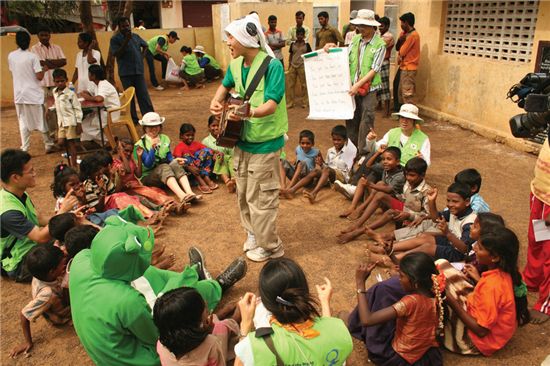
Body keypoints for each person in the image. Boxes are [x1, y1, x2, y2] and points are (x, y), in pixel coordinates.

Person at [69, 213, 245, 365]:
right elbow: (158, 335)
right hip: (142, 359)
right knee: (185, 298)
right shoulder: (129, 301)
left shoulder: (82, 258)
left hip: (114, 349)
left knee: (150, 274)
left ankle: (194, 276)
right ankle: (217, 284)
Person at [209, 13, 288, 262]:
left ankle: (271, 246)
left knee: (262, 198)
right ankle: (253, 233)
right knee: (243, 192)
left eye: (231, 37)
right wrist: (216, 100)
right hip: (241, 142)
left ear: (245, 38)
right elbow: (225, 85)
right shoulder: (235, 64)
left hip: (264, 144)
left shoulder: (272, 66)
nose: (228, 42)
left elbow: (272, 104)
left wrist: (249, 112)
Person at [234, 258, 353, 365]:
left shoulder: (257, 345)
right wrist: (325, 302)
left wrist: (245, 324)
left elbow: (243, 359)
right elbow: (329, 335)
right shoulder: (339, 330)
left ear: (266, 303)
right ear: (304, 292)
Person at [438, 228, 530, 355]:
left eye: (480, 248)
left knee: (437, 292)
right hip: (483, 317)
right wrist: (478, 279)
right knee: (441, 265)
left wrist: (450, 301)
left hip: (477, 341)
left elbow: (481, 331)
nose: (474, 248)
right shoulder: (507, 271)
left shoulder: (492, 286)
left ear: (495, 257)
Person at [346, 252, 443, 365]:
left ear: (415, 283)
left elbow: (367, 320)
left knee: (381, 298)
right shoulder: (434, 289)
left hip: (401, 357)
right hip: (423, 352)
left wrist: (360, 283)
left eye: (401, 276)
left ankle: (352, 322)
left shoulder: (411, 302)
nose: (399, 279)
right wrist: (392, 255)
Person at [0, 149, 77, 282]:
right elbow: (40, 237)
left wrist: (69, 216)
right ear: (15, 177)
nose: (35, 174)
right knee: (65, 254)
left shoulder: (19, 193)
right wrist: (62, 211)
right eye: (30, 171)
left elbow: (40, 219)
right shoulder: (8, 211)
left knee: (73, 235)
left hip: (34, 249)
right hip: (21, 262)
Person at [324, 9, 386, 152]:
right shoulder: (355, 39)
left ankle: (363, 153)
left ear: (372, 26)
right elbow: (345, 55)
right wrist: (332, 47)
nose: (361, 28)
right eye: (359, 25)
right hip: (353, 87)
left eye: (364, 25)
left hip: (369, 89)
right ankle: (351, 151)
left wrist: (358, 85)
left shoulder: (379, 44)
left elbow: (374, 69)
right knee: (351, 119)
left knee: (366, 120)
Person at [373, 182, 477, 265]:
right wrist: (432, 201)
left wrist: (447, 233)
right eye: (448, 200)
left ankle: (393, 259)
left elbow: (464, 249)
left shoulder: (470, 222)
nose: (450, 204)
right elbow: (435, 219)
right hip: (451, 242)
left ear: (467, 202)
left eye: (455, 201)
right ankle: (388, 249)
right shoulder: (456, 211)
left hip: (459, 253)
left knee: (427, 247)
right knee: (424, 237)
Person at [339, 156, 426, 244]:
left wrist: (409, 215)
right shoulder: (408, 183)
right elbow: (404, 198)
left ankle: (358, 232)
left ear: (422, 175)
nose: (408, 178)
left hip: (412, 218)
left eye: (412, 175)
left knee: (390, 211)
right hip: (404, 209)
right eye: (406, 174)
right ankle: (357, 225)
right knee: (381, 195)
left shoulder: (427, 192)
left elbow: (428, 218)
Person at [9, 244, 71, 359]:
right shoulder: (46, 293)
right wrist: (28, 342)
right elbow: (24, 315)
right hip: (62, 314)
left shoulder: (40, 272)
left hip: (54, 298)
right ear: (52, 272)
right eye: (62, 264)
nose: (65, 263)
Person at [153, 287, 241, 365]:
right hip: (211, 350)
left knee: (212, 320)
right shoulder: (211, 344)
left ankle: (221, 314)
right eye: (205, 310)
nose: (206, 303)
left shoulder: (161, 344)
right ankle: (236, 318)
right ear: (195, 326)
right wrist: (208, 333)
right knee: (222, 326)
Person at [134, 112, 200, 203]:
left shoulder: (164, 138)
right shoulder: (140, 144)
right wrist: (152, 149)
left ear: (160, 127)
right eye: (150, 127)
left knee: (174, 163)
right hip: (149, 177)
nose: (153, 129)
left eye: (156, 126)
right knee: (164, 167)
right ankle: (182, 195)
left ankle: (190, 192)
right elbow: (148, 164)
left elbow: (169, 157)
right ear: (144, 128)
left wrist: (175, 160)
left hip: (165, 174)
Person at [339, 146, 405, 235]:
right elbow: (368, 165)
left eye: (389, 159)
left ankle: (359, 219)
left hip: (396, 205)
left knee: (379, 187)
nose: (385, 162)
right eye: (383, 159)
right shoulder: (386, 168)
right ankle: (353, 207)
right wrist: (378, 152)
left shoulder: (400, 175)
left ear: (397, 162)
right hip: (385, 202)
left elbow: (389, 190)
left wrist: (370, 185)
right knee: (372, 182)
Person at [8, 31, 55, 153]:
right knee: (40, 119)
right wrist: (44, 69)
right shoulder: (32, 56)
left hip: (19, 94)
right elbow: (39, 77)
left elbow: (13, 72)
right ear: (29, 42)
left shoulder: (11, 56)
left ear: (16, 42)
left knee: (22, 120)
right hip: (33, 93)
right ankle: (48, 144)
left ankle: (25, 147)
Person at [113, 138, 180, 213]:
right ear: (119, 150)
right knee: (144, 198)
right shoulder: (115, 162)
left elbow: (138, 174)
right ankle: (163, 208)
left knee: (154, 193)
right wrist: (122, 154)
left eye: (131, 152)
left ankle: (173, 205)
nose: (128, 153)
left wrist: (139, 157)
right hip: (126, 190)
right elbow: (128, 170)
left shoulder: (130, 159)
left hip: (136, 186)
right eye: (126, 151)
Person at [524, 135, 550, 324]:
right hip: (540, 196)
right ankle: (533, 280)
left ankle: (546, 304)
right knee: (537, 241)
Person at [109, 16, 154, 124]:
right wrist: (126, 41)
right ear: (119, 27)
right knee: (130, 98)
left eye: (127, 25)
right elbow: (117, 54)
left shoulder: (136, 36)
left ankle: (149, 118)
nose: (126, 28)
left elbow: (146, 45)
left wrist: (141, 56)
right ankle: (133, 120)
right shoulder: (115, 39)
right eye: (123, 26)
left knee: (143, 96)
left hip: (138, 71)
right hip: (126, 73)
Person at [300, 125, 357, 204]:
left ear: (345, 140)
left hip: (342, 178)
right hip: (330, 175)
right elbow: (326, 167)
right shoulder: (330, 151)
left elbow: (350, 171)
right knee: (316, 170)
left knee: (327, 170)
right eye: (334, 139)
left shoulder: (349, 152)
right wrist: (321, 164)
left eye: (339, 140)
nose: (336, 142)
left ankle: (314, 193)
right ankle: (292, 190)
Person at [31, 24, 67, 142]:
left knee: (61, 108)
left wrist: (48, 62)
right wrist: (55, 62)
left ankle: (62, 133)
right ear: (38, 36)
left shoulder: (56, 47)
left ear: (50, 35)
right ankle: (52, 135)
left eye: (46, 35)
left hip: (58, 83)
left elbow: (63, 61)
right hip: (43, 85)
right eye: (42, 35)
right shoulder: (34, 49)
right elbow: (39, 63)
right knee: (48, 111)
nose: (45, 37)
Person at [79, 64, 121, 145]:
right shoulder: (96, 83)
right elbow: (88, 91)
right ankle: (105, 139)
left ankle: (109, 140)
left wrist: (87, 97)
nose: (88, 75)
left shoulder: (103, 84)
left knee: (86, 128)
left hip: (110, 113)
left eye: (89, 73)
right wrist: (85, 93)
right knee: (84, 124)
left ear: (93, 76)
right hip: (103, 111)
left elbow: (99, 99)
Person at [173, 123, 217, 194]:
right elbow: (178, 161)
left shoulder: (195, 144)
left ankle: (205, 176)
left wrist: (216, 152)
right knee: (186, 157)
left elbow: (207, 149)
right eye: (187, 135)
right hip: (188, 170)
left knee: (207, 151)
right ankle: (201, 182)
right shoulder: (179, 147)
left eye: (192, 135)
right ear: (181, 136)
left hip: (199, 168)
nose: (190, 137)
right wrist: (189, 167)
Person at [52, 68, 83, 168]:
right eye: (57, 81)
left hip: (70, 122)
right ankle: (70, 160)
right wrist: (49, 110)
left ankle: (74, 164)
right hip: (61, 122)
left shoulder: (70, 94)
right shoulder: (54, 92)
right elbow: (57, 104)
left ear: (66, 80)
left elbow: (77, 109)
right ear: (54, 82)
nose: (60, 83)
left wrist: (79, 123)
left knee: (71, 143)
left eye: (62, 81)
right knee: (60, 142)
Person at [202, 115, 236, 192]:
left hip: (229, 165)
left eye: (218, 125)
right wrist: (213, 155)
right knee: (219, 157)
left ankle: (234, 179)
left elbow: (232, 154)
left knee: (230, 158)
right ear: (208, 127)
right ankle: (227, 181)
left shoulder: (226, 139)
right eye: (213, 125)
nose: (216, 128)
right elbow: (205, 156)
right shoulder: (205, 141)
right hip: (215, 168)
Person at [280, 129, 319, 194]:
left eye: (308, 143)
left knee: (302, 163)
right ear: (299, 143)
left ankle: (289, 188)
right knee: (282, 161)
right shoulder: (298, 149)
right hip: (297, 176)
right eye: (302, 143)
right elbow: (297, 160)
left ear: (313, 144)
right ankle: (283, 186)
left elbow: (322, 164)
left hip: (307, 179)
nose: (305, 145)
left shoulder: (316, 152)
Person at [397, 12, 420, 105]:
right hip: (405, 67)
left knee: (407, 94)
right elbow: (398, 48)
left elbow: (402, 52)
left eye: (402, 23)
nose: (401, 25)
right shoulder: (407, 34)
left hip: (408, 68)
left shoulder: (412, 35)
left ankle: (409, 116)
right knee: (402, 92)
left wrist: (402, 41)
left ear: (406, 23)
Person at [287, 27, 312, 109]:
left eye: (301, 34)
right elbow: (291, 55)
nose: (299, 36)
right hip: (293, 66)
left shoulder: (307, 45)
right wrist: (289, 65)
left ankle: (305, 102)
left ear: (304, 35)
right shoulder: (292, 45)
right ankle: (290, 103)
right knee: (290, 85)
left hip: (302, 66)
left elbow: (309, 56)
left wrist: (309, 66)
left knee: (304, 85)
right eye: (298, 34)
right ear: (296, 35)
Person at [378, 17, 395, 117]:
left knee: (384, 86)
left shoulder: (388, 36)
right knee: (378, 85)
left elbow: (379, 46)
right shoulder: (380, 35)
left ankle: (386, 109)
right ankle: (380, 105)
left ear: (387, 26)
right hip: (379, 62)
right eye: (379, 26)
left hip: (384, 62)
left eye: (382, 26)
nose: (380, 28)